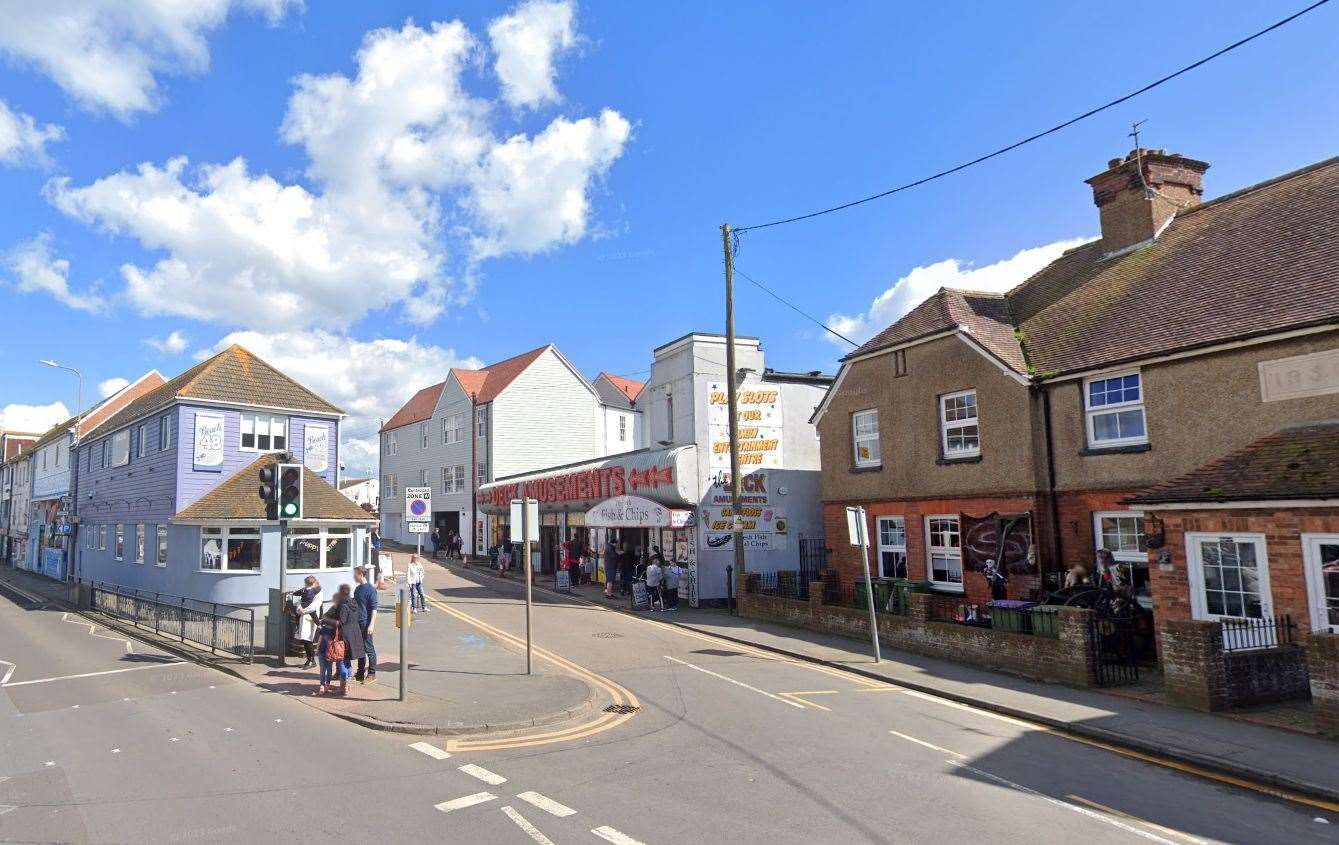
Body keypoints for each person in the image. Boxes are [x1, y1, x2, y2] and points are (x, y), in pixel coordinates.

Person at [353, 566, 379, 684]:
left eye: (355, 574)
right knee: (359, 648)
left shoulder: (371, 589)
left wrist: (371, 625)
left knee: (369, 648)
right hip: (357, 623)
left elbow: (374, 609)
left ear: (361, 574)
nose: (353, 576)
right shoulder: (357, 589)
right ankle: (359, 673)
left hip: (366, 623)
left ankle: (372, 673)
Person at [291, 576, 323, 668]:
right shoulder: (307, 590)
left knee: (308, 639)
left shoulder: (317, 592)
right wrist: (299, 609)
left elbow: (314, 607)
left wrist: (302, 610)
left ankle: (311, 660)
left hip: (310, 618)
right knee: (304, 639)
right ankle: (309, 659)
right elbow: (299, 601)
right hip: (303, 617)